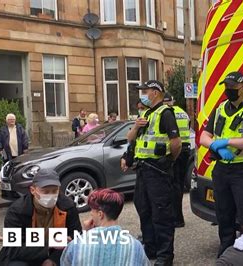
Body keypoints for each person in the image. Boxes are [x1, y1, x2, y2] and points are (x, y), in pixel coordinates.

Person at [200, 71, 243, 257]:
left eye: (233, 87)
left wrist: (228, 142)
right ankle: (227, 250)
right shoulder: (220, 108)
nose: (228, 90)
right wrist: (215, 145)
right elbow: (204, 136)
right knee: (224, 214)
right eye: (226, 87)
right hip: (221, 169)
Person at [126, 80, 182, 265]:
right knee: (144, 209)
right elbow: (130, 139)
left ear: (156, 92)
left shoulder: (165, 113)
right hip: (143, 170)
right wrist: (135, 126)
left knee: (161, 214)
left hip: (158, 171)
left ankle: (165, 257)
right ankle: (151, 249)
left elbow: (176, 142)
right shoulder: (145, 113)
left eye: (145, 91)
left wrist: (169, 161)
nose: (142, 94)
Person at [0, 169, 82, 266]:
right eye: (45, 192)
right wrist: (48, 245)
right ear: (33, 190)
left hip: (56, 254)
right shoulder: (17, 211)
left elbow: (76, 239)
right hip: (25, 256)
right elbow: (12, 248)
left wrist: (53, 260)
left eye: (55, 191)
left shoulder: (68, 206)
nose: (51, 195)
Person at [60, 189, 149, 266]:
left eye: (92, 210)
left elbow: (65, 262)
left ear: (100, 214)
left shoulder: (77, 245)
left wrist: (85, 233)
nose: (90, 214)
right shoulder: (135, 246)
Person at [163, 92, 190, 228]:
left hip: (176, 149)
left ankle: (176, 218)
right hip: (186, 149)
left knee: (173, 185)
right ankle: (178, 217)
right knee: (179, 184)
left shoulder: (168, 113)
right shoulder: (182, 112)